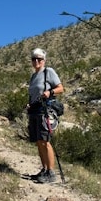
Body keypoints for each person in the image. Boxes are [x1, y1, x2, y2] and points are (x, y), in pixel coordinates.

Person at [27, 48, 64, 183]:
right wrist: (29, 104)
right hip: (34, 110)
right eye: (34, 59)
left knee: (45, 140)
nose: (36, 61)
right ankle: (44, 169)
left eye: (39, 59)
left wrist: (50, 92)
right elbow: (33, 94)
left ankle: (51, 172)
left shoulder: (49, 72)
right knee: (38, 141)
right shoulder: (33, 76)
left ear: (44, 60)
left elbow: (60, 88)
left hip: (45, 110)